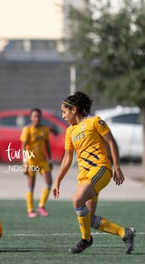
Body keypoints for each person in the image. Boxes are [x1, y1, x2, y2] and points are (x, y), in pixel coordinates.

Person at [52, 91, 135, 254]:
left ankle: (86, 240)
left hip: (101, 169)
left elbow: (112, 142)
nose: (62, 116)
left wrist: (117, 167)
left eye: (64, 112)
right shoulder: (70, 131)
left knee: (77, 200)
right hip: (85, 176)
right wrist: (58, 181)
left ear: (74, 110)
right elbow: (67, 158)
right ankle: (124, 233)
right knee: (88, 218)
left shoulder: (95, 122)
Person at [20, 108, 53, 218]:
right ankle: (30, 210)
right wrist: (24, 161)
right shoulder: (27, 129)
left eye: (38, 116)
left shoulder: (45, 129)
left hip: (43, 161)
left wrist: (50, 159)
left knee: (49, 182)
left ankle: (41, 206)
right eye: (35, 116)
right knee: (31, 185)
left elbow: (47, 144)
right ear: (31, 118)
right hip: (31, 161)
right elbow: (23, 146)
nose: (37, 118)